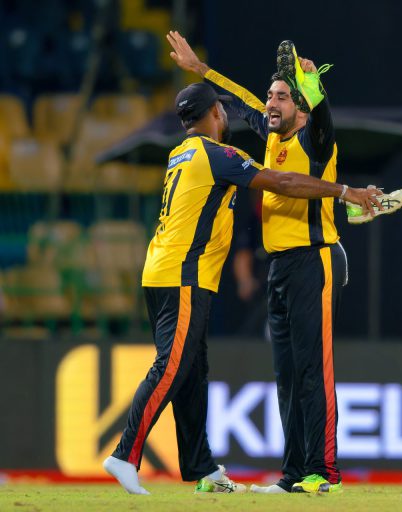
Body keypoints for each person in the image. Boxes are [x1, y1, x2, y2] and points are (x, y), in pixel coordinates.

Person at [102, 80, 381, 495]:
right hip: (184, 275)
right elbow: (283, 182)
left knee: (192, 374)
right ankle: (125, 454)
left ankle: (203, 469)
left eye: (280, 96)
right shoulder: (220, 155)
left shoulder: (180, 153)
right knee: (173, 367)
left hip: (163, 272)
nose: (265, 105)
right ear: (215, 113)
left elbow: (256, 110)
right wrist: (344, 191)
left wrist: (203, 71)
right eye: (222, 109)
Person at [166, 32, 402, 494]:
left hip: (316, 261)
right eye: (270, 96)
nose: (270, 104)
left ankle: (324, 472)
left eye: (281, 97)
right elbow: (241, 101)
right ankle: (294, 474)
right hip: (280, 268)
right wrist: (201, 71)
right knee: (288, 376)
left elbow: (323, 114)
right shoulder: (273, 135)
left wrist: (315, 89)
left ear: (302, 107)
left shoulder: (316, 138)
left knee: (315, 369)